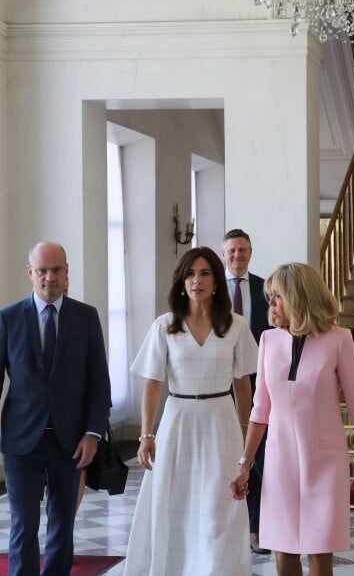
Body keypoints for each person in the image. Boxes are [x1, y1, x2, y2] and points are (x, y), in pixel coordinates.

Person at [230, 262, 354, 576]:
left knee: (319, 554)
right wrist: (245, 464)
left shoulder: (339, 339)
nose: (270, 304)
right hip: (278, 460)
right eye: (270, 297)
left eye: (277, 297)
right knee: (283, 553)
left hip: (325, 463)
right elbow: (260, 410)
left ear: (298, 298)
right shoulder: (268, 342)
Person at [123, 246, 258, 576]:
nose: (196, 280)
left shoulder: (236, 325)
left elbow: (243, 385)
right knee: (176, 501)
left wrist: (245, 439)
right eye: (189, 273)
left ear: (216, 280)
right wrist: (146, 434)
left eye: (204, 273)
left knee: (219, 505)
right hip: (178, 419)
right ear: (181, 281)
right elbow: (153, 383)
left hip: (221, 420)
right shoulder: (165, 326)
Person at [0, 241, 111, 576]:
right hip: (21, 441)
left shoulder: (86, 317)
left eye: (57, 270)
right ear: (30, 272)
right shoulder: (7, 318)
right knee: (24, 524)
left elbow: (99, 383)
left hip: (71, 441)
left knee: (62, 524)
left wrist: (92, 433)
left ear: (66, 273)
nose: (50, 277)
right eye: (43, 270)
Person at [222, 229, 270, 555]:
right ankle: (224, 531)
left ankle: (255, 528)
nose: (237, 256)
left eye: (242, 250)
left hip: (257, 383)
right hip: (218, 386)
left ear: (250, 253)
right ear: (223, 255)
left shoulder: (266, 289)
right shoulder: (209, 292)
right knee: (224, 456)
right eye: (232, 251)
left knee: (256, 458)